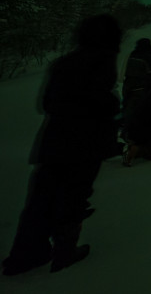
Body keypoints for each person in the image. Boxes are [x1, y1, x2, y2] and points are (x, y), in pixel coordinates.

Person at [2, 14, 122, 276]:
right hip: (84, 144)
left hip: (53, 142)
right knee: (73, 197)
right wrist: (113, 105)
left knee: (40, 199)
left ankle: (24, 256)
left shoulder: (64, 62)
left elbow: (46, 104)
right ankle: (64, 253)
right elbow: (99, 100)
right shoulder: (103, 60)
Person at [121, 38, 151, 121]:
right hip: (141, 90)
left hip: (127, 88)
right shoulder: (149, 58)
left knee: (128, 111)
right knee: (141, 114)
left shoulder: (132, 55)